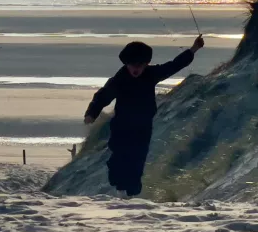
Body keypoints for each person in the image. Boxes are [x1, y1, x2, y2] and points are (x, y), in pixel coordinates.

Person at [83, 35, 205, 197]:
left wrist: (193, 49)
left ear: (146, 64)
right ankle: (119, 186)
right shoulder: (120, 80)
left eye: (140, 65)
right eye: (132, 64)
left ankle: (131, 194)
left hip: (143, 125)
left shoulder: (151, 74)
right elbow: (103, 96)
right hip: (122, 125)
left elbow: (174, 66)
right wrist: (91, 113)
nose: (136, 68)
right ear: (126, 63)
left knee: (138, 160)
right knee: (120, 157)